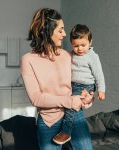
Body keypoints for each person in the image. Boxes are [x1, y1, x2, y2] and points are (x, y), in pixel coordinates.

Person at [20, 8, 94, 150]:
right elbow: (36, 98)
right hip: (49, 121)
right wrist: (69, 101)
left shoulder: (68, 55)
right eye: (60, 30)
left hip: (74, 116)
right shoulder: (27, 60)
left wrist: (86, 97)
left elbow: (79, 83)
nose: (65, 34)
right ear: (46, 31)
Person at [53, 24, 106, 145]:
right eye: (75, 46)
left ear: (90, 42)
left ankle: (65, 132)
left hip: (86, 85)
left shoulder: (92, 56)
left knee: (71, 107)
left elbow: (99, 74)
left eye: (83, 45)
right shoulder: (71, 54)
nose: (80, 49)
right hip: (73, 85)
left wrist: (101, 90)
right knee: (66, 104)